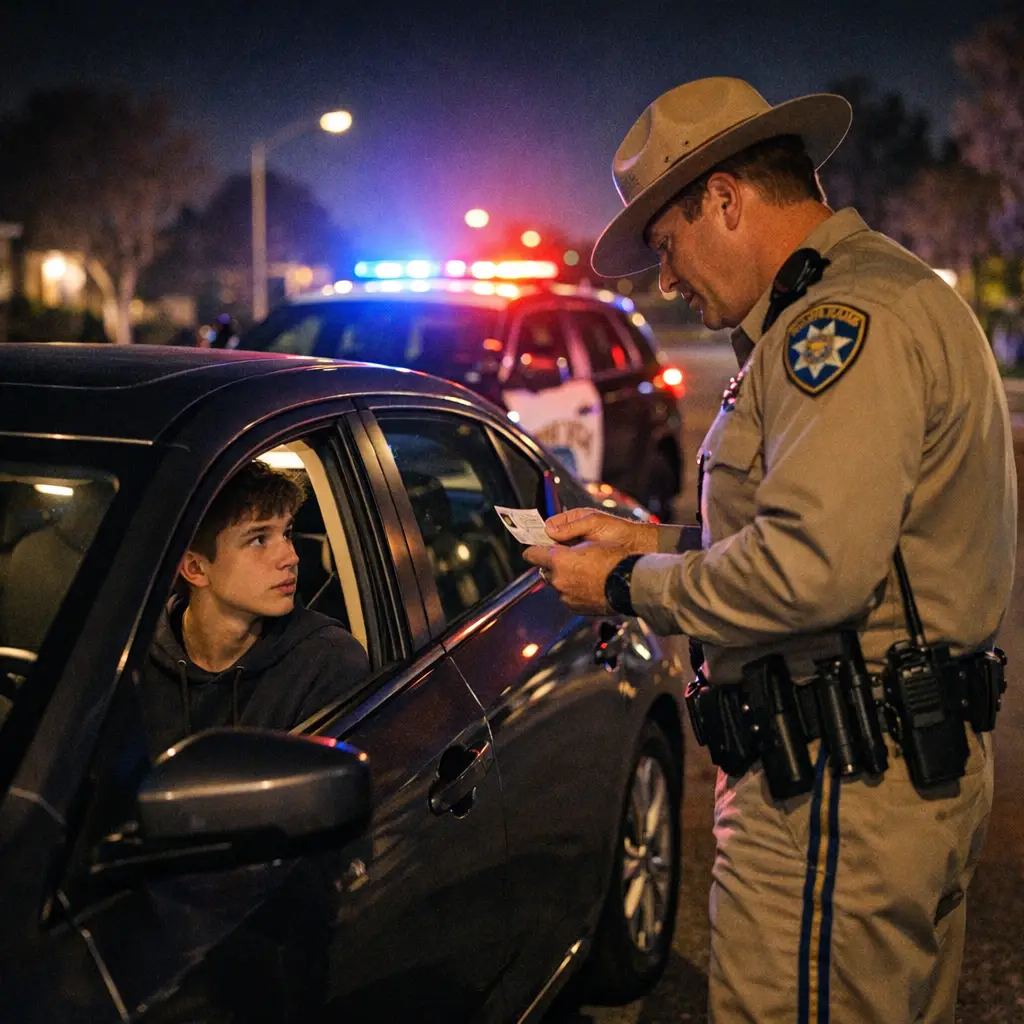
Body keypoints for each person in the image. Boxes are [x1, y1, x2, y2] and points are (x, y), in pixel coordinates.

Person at [525, 77, 1016, 1022]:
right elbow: (841, 536)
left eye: (665, 245)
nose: (666, 280)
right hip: (889, 773)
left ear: (725, 198)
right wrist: (653, 538)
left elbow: (811, 573)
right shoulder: (887, 293)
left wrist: (625, 580)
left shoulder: (837, 327)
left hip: (837, 794)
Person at [138, 460, 370, 757]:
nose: (291, 556)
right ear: (195, 568)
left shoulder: (326, 660)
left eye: (286, 533)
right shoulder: (133, 659)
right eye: (259, 539)